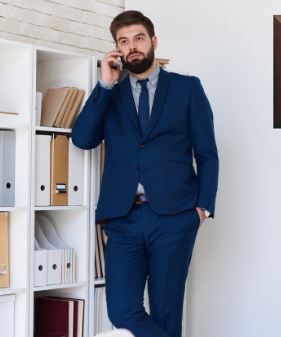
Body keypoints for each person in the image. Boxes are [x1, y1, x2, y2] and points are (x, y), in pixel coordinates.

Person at [71, 10, 219, 337]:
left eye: (138, 38)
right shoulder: (110, 92)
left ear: (152, 41)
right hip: (123, 217)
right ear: (117, 50)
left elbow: (207, 153)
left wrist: (202, 209)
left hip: (175, 215)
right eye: (123, 41)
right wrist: (105, 85)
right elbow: (82, 139)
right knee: (122, 311)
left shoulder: (187, 88)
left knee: (167, 315)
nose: (132, 46)